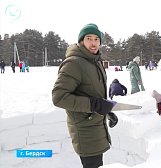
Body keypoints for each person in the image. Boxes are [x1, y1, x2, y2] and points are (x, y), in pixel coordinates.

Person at [52, 23, 118, 168]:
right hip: (85, 130)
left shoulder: (95, 62)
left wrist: (107, 111)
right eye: (89, 38)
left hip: (96, 126)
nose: (93, 43)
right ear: (81, 41)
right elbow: (59, 97)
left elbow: (95, 94)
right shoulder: (74, 63)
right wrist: (93, 104)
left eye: (96, 39)